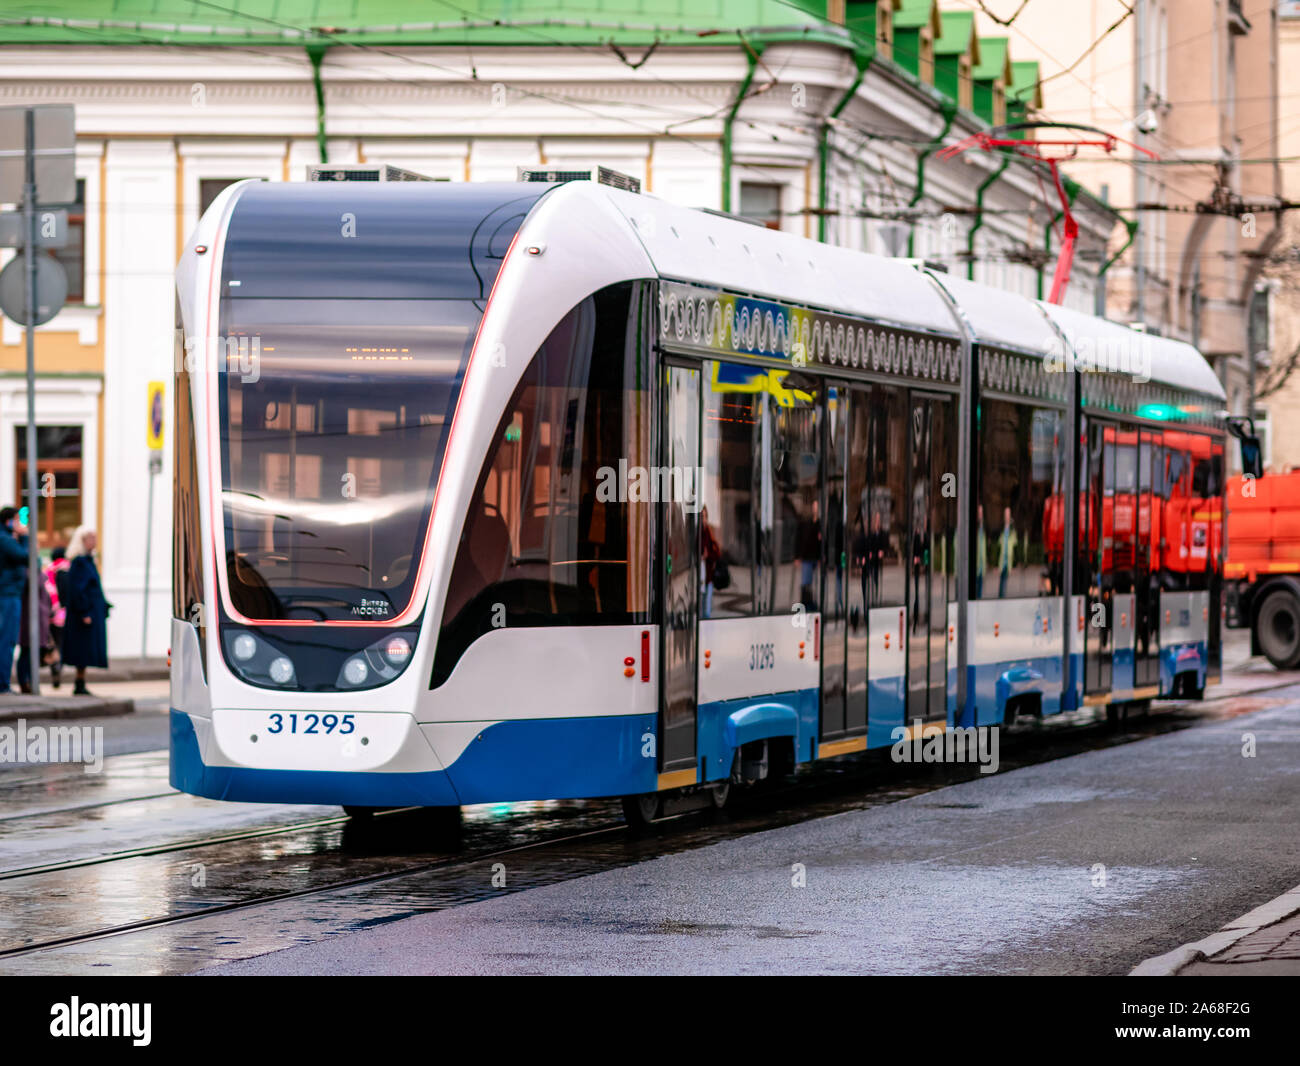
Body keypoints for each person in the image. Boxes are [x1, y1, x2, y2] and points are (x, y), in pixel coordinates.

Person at [61, 526, 111, 696]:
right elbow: (77, 589)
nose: (94, 541)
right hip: (84, 614)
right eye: (91, 537)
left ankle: (80, 681)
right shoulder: (80, 562)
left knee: (86, 650)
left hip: (91, 611)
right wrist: (84, 612)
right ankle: (79, 683)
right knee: (82, 650)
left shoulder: (88, 560)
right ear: (82, 540)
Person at [0, 506, 28, 694]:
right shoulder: (4, 539)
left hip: (10, 593)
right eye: (17, 519)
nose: (20, 523)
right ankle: (3, 683)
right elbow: (24, 556)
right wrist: (25, 538)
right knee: (6, 640)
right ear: (9, 521)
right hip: (8, 594)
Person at [17, 564, 51, 694]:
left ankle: (31, 682)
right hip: (29, 620)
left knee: (33, 653)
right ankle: (25, 683)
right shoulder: (28, 573)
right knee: (27, 652)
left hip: (39, 619)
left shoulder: (38, 574)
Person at [44, 546, 68, 688]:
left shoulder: (49, 572)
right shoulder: (66, 571)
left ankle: (54, 666)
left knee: (53, 645)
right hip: (63, 615)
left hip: (50, 614)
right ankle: (59, 666)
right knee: (61, 644)